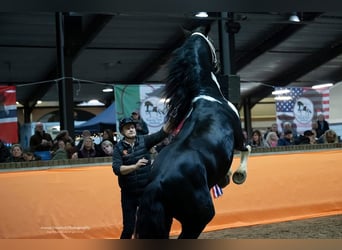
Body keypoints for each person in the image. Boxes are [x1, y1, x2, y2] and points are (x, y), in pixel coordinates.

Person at [112, 117, 170, 239]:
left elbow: (162, 133)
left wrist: (174, 118)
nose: (131, 129)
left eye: (132, 127)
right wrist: (135, 166)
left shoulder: (145, 141)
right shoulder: (118, 148)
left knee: (152, 224)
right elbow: (117, 170)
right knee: (128, 228)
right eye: (127, 128)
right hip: (128, 194)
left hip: (146, 192)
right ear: (122, 132)